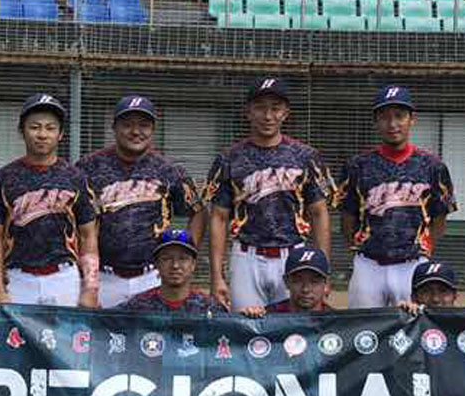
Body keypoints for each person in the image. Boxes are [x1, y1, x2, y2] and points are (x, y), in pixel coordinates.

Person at [206, 76, 334, 312]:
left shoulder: (306, 156)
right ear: (248, 111)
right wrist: (216, 276)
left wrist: (323, 269)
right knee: (246, 327)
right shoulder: (228, 158)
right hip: (246, 256)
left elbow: (319, 213)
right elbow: (218, 217)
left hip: (294, 255)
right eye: (260, 108)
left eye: (275, 108)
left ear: (286, 113)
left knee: (293, 327)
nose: (267, 116)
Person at [75, 95, 207, 308]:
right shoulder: (88, 167)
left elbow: (198, 211)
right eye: (127, 125)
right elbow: (73, 220)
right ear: (114, 127)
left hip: (153, 276)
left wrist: (186, 253)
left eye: (144, 125)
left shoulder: (169, 169)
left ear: (153, 129)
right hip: (103, 276)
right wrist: (87, 280)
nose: (136, 132)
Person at [0, 93, 100, 307]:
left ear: (60, 134)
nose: (42, 134)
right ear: (22, 131)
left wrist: (90, 288)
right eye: (35, 127)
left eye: (50, 128)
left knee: (66, 330)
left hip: (64, 278)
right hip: (17, 279)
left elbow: (88, 235)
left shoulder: (76, 178)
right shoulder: (2, 179)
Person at [340, 85, 457, 308]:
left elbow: (440, 216)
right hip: (369, 265)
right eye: (384, 117)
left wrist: (426, 248)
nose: (392, 124)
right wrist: (358, 247)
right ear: (375, 122)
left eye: (399, 116)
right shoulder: (357, 165)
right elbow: (347, 217)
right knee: (363, 326)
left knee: (412, 325)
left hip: (413, 264)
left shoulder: (433, 166)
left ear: (412, 119)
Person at [117, 229, 226, 314]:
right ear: (157, 264)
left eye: (183, 259)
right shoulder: (137, 307)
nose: (175, 265)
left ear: (193, 265)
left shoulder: (209, 308)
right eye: (167, 259)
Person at [239, 245, 332, 316]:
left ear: (326, 283)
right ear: (286, 281)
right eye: (298, 281)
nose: (305, 289)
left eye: (314, 282)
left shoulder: (335, 321)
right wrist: (247, 319)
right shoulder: (270, 316)